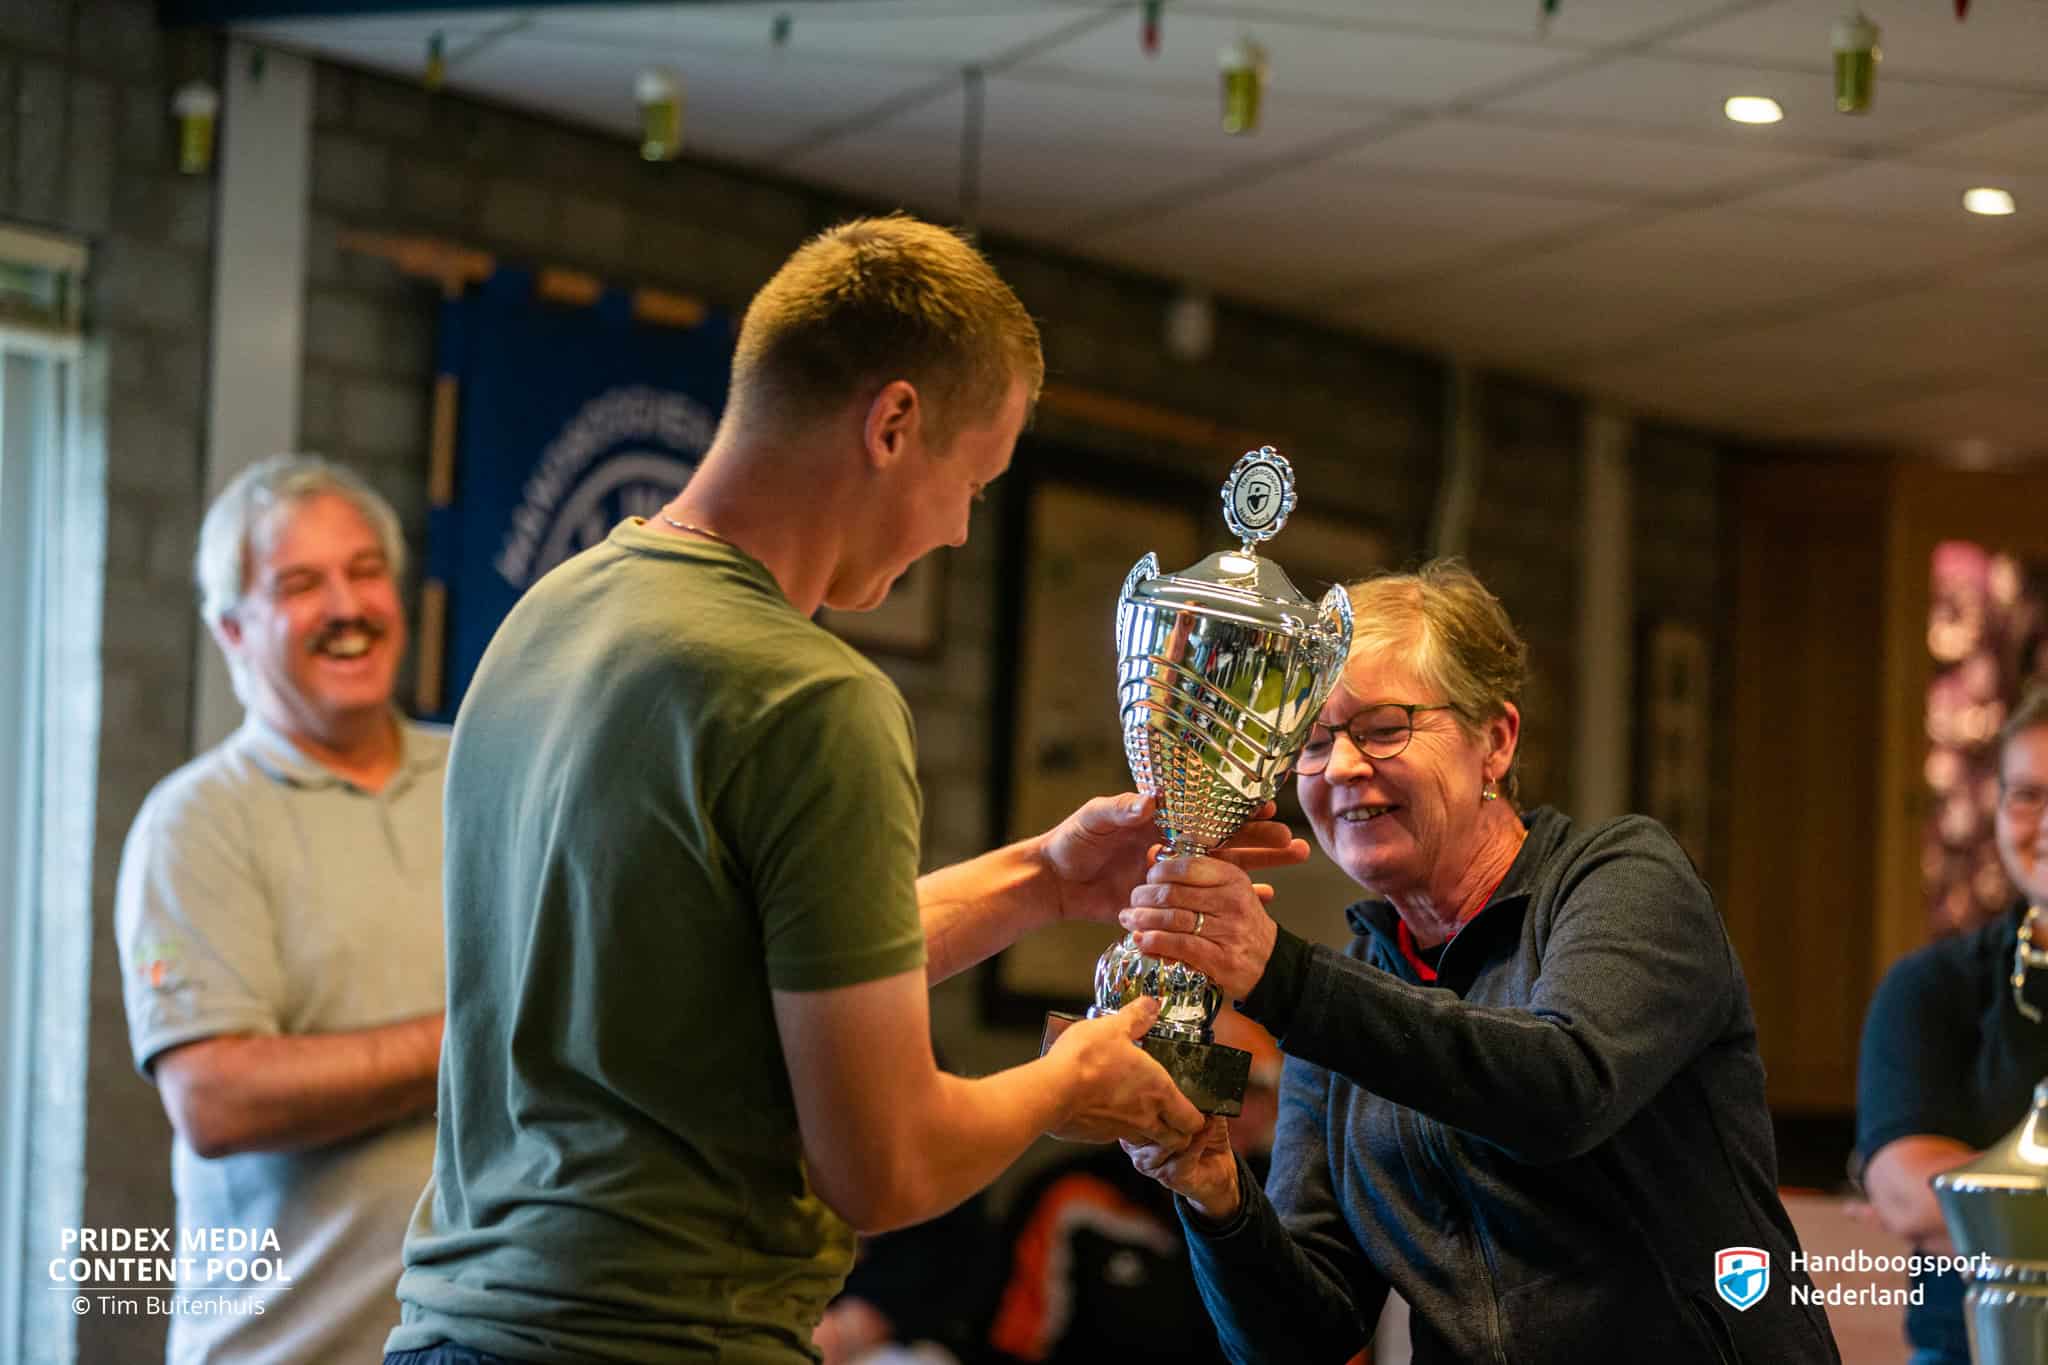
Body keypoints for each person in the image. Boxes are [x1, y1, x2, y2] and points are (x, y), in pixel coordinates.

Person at [387, 214, 1302, 1365]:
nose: (962, 528)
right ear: (893, 423)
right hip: (657, 1338)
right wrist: (1063, 1084)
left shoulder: (552, 614)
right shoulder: (811, 695)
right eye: (972, 479)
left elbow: (715, 971)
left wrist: (1040, 877)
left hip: (455, 1327)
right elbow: (883, 1168)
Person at [1117, 560, 1840, 1364]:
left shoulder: (1622, 879)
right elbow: (1304, 1337)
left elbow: (1562, 1088)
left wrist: (1281, 977)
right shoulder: (1349, 991)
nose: (1343, 767)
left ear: (1494, 741)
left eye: (1384, 727)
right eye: (1315, 743)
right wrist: (1218, 1194)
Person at [114, 454, 447, 1363]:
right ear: (232, 630)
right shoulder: (196, 823)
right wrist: (478, 1037)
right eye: (301, 584)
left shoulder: (485, 776)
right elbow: (216, 1098)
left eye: (366, 572)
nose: (347, 607)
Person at [1856, 684, 2048, 1365]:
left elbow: (1952, 1202)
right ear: (1997, 808)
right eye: (2027, 794)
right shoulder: (1933, 988)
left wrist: (1987, 1212)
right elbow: (1908, 1193)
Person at [985, 1010, 1282, 1365]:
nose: (1242, 1113)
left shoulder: (1282, 1198)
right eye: (1225, 1087)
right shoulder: (1074, 1197)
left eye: (1261, 1092)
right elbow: (1013, 1346)